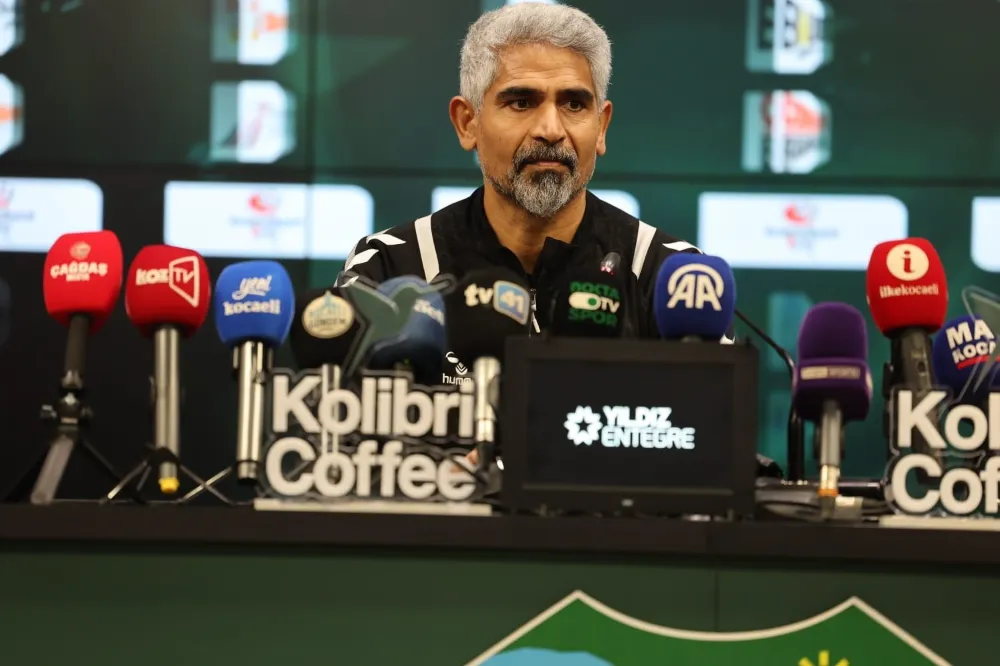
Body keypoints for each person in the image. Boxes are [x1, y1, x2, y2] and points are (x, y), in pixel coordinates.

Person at [338, 2, 733, 380]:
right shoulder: (390, 268)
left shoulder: (672, 279)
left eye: (574, 105)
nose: (551, 130)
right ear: (467, 123)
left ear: (602, 127)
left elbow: (709, 422)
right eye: (522, 102)